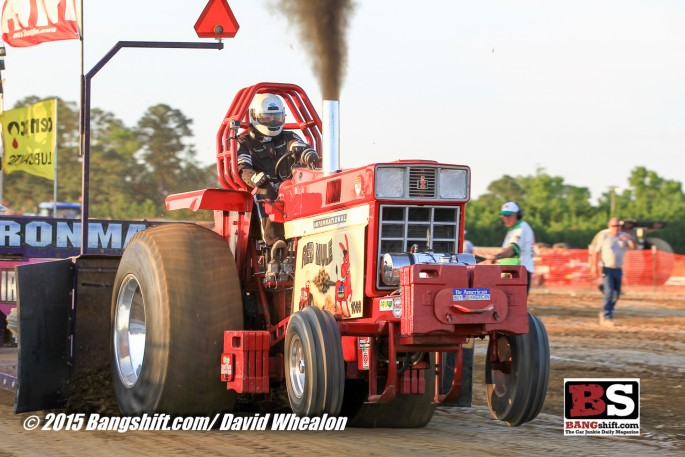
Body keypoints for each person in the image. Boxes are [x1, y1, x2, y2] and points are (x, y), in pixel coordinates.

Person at [237, 93, 319, 245]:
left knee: (313, 189)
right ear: (255, 116)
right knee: (266, 191)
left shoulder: (289, 137)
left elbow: (301, 147)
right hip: (260, 186)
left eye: (277, 117)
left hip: (288, 185)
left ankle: (313, 239)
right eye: (267, 117)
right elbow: (243, 167)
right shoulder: (244, 142)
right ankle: (275, 245)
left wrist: (308, 154)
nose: (272, 121)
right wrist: (254, 178)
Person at [589, 217, 636, 327]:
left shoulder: (623, 236)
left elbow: (634, 247)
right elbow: (596, 252)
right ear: (609, 226)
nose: (616, 228)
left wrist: (629, 240)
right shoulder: (604, 237)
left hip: (618, 269)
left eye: (618, 226)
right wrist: (594, 266)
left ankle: (604, 303)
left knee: (616, 294)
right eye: (614, 226)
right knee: (610, 293)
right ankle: (607, 317)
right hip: (607, 268)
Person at [487, 201, 536, 294]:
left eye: (509, 215)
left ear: (517, 215)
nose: (505, 218)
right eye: (504, 215)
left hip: (518, 271)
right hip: (512, 270)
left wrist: (497, 256)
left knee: (514, 304)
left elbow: (511, 251)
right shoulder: (515, 228)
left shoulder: (520, 229)